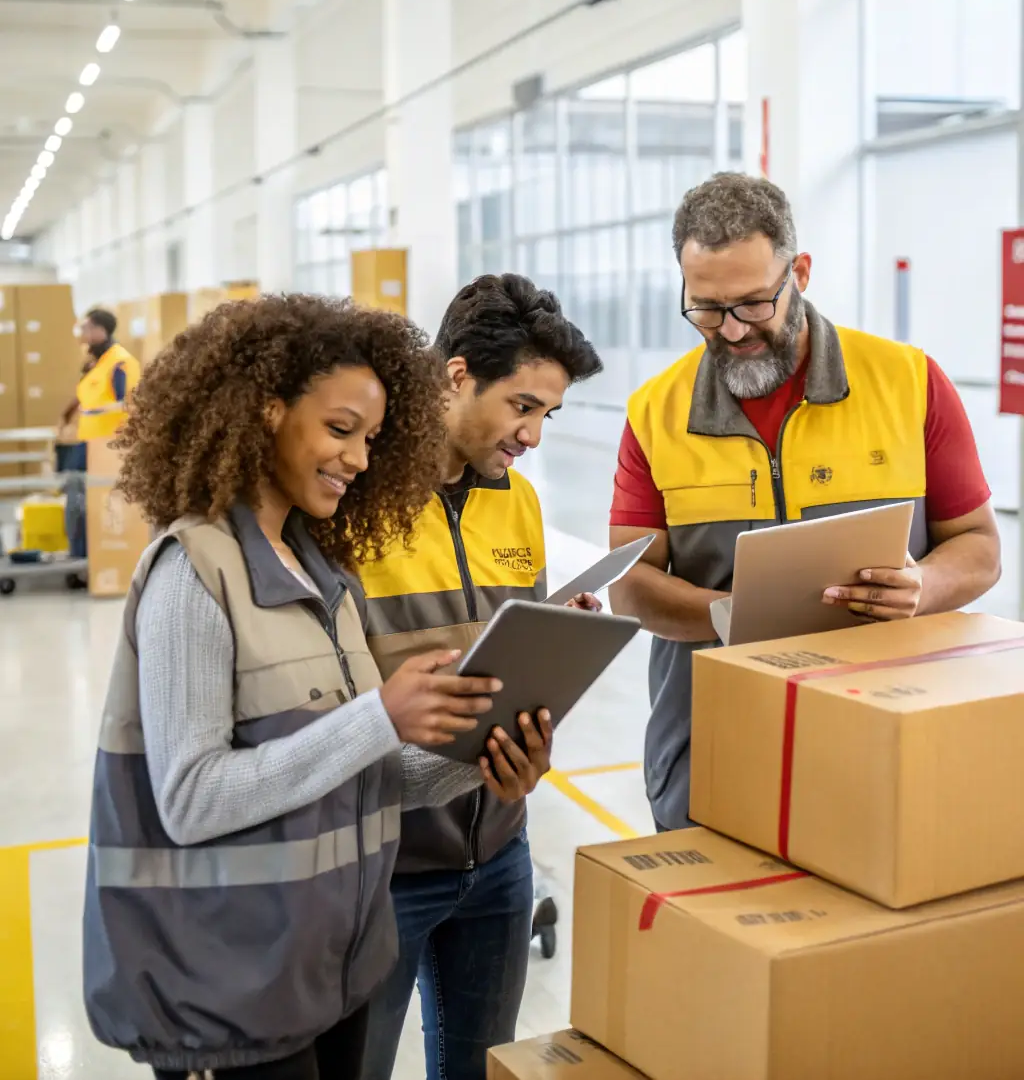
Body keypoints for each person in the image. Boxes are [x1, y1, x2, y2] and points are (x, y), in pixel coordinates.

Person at [82, 294, 549, 1080]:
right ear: (265, 413)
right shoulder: (193, 570)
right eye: (340, 431)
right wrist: (380, 716)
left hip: (324, 970)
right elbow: (193, 797)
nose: (360, 460)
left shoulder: (318, 569)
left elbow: (357, 779)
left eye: (370, 438)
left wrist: (484, 762)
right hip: (227, 992)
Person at [609, 173, 1001, 833]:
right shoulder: (656, 411)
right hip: (713, 739)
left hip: (881, 722)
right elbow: (631, 585)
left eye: (755, 303)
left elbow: (980, 547)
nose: (732, 330)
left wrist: (925, 584)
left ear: (803, 273)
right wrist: (734, 614)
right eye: (706, 307)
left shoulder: (908, 382)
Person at [359, 273, 603, 1080]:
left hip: (499, 853)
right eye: (522, 406)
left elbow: (511, 667)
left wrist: (561, 646)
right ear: (457, 374)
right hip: (381, 866)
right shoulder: (353, 502)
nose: (532, 435)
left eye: (547, 415)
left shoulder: (519, 503)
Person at [58, 308, 140, 558]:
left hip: (107, 448)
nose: (81, 333)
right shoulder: (99, 362)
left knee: (92, 504)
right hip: (89, 444)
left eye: (86, 328)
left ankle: (88, 559)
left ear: (100, 330)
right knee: (77, 499)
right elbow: (90, 395)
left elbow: (126, 402)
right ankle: (80, 556)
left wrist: (94, 413)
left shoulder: (119, 362)